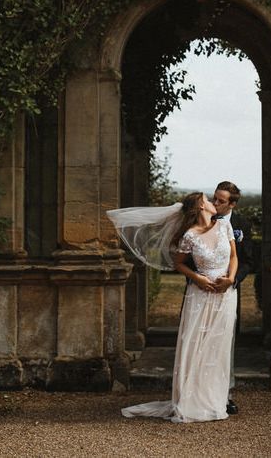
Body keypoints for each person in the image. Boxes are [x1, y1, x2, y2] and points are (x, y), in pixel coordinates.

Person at [107, 192, 238, 422]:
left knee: (218, 348)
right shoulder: (189, 236)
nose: (212, 202)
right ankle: (192, 400)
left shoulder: (224, 227)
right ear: (200, 207)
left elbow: (234, 257)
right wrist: (197, 278)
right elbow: (178, 263)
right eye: (208, 200)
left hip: (225, 296)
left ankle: (215, 400)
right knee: (196, 345)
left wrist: (230, 279)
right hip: (200, 296)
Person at [211, 180, 254, 416]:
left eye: (220, 200)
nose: (214, 203)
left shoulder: (242, 225)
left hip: (229, 290)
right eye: (214, 198)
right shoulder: (202, 220)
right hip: (202, 291)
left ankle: (225, 394)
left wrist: (233, 280)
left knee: (226, 343)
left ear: (233, 204)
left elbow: (248, 261)